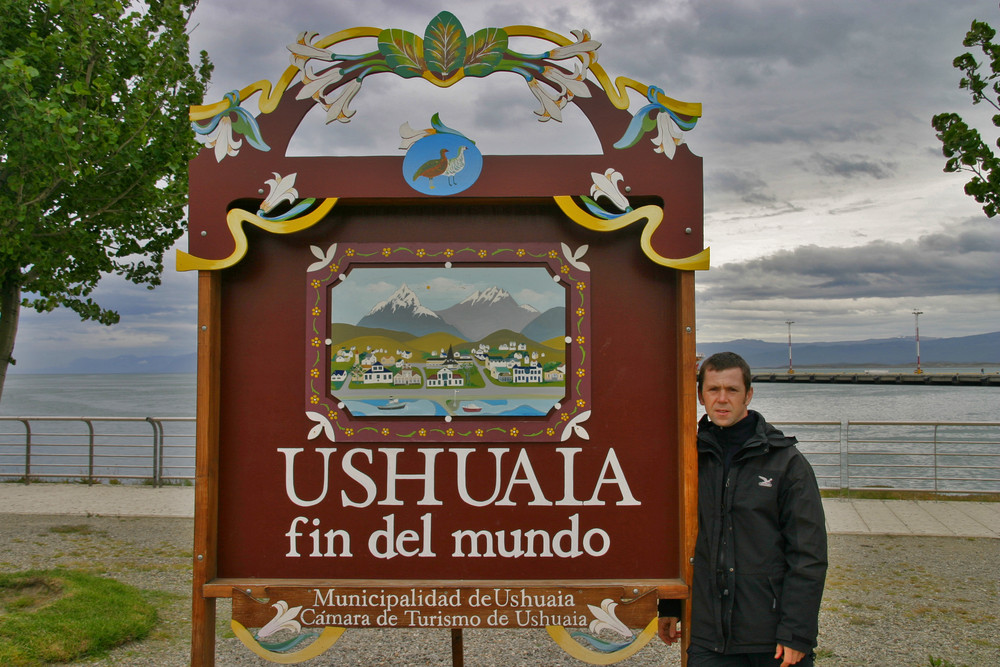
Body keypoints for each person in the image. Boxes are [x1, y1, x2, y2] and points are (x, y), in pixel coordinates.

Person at [658, 351, 827, 666]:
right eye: (713, 389)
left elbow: (809, 555)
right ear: (700, 395)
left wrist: (797, 632)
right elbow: (676, 538)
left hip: (772, 637)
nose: (722, 399)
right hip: (709, 640)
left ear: (749, 394)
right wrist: (670, 607)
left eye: (732, 390)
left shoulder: (786, 463)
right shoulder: (690, 459)